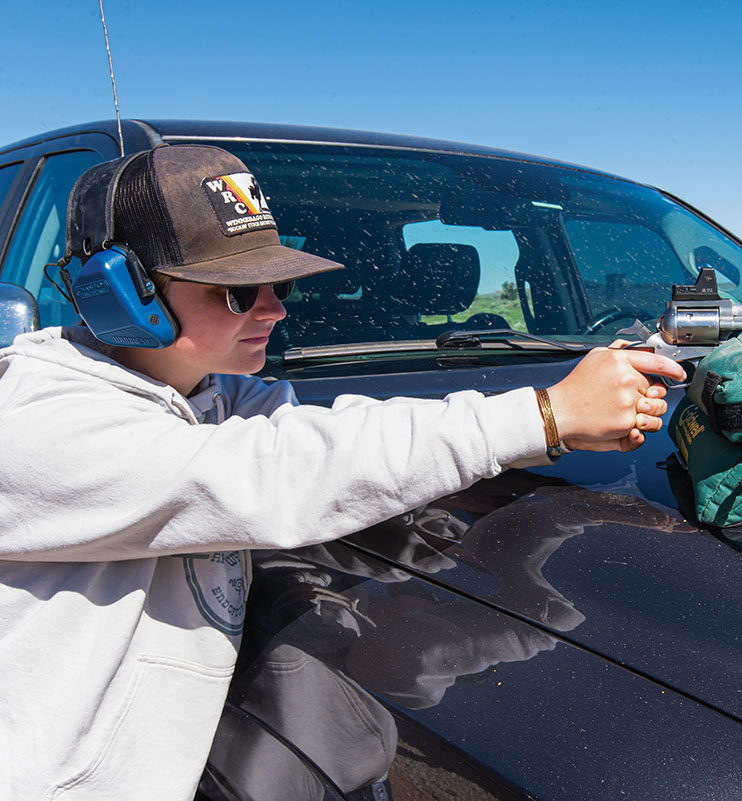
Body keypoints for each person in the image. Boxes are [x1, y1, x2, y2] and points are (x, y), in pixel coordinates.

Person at [0, 144, 686, 800]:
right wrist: (545, 413)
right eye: (236, 291)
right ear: (122, 292)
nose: (275, 307)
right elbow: (278, 473)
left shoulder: (219, 394)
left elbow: (331, 438)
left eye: (276, 280)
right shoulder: (38, 424)